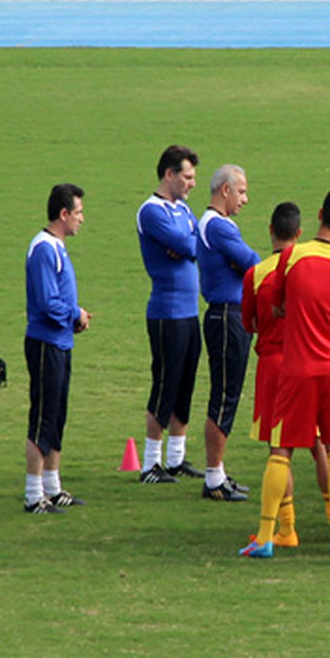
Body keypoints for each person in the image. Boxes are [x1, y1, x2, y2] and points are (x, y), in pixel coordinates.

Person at [239, 189, 330, 558]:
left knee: (281, 450)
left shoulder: (292, 257)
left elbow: (276, 309)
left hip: (297, 367)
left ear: (321, 213)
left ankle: (265, 536)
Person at [242, 202, 330, 549]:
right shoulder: (307, 269)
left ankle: (287, 528)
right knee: (319, 443)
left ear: (269, 230)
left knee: (278, 450)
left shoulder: (256, 274)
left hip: (271, 366)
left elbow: (247, 323)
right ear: (298, 233)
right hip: (306, 359)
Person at [23, 183, 91, 515]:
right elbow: (47, 301)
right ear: (63, 214)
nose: (82, 219)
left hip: (61, 340)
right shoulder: (44, 249)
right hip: (46, 343)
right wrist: (73, 314)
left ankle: (52, 486)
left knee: (57, 414)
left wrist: (74, 318)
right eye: (78, 212)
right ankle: (33, 493)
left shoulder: (57, 248)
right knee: (43, 416)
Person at [136, 145, 202, 484]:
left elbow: (194, 243)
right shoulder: (151, 211)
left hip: (190, 311)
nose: (192, 184)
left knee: (185, 384)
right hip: (166, 312)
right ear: (169, 174)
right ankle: (150, 464)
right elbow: (192, 246)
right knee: (165, 385)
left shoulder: (184, 210)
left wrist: (189, 243)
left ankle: (175, 459)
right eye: (187, 177)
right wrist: (189, 243)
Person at [197, 164, 259, 501]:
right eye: (242, 191)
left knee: (229, 393)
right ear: (225, 190)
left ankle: (217, 473)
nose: (245, 199)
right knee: (224, 395)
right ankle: (212, 478)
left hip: (229, 315)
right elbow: (251, 261)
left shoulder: (217, 225)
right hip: (226, 316)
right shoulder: (218, 227)